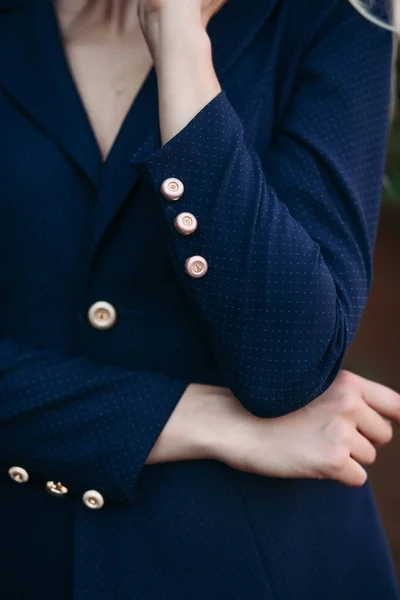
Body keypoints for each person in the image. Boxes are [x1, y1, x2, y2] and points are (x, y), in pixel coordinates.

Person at [0, 0, 399, 598]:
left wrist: (179, 39)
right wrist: (197, 419)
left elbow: (288, 364)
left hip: (256, 565)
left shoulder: (333, 22)